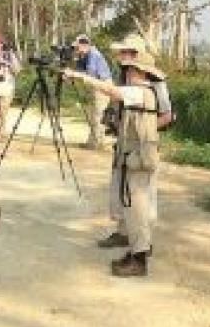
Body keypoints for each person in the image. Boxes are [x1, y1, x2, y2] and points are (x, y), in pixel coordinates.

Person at [65, 49, 164, 277]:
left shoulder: (141, 92)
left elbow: (110, 90)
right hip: (135, 157)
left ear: (139, 71)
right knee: (133, 208)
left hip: (139, 159)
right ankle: (136, 252)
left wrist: (82, 77)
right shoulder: (142, 92)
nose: (126, 73)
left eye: (130, 69)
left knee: (137, 209)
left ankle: (138, 259)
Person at [97, 34, 173, 249]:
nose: (121, 55)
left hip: (141, 146)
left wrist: (141, 131)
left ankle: (141, 244)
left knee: (141, 196)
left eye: (125, 51)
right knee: (119, 188)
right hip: (123, 143)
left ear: (136, 55)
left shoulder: (156, 82)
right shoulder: (123, 74)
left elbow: (167, 115)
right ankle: (123, 232)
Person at [72, 34, 111, 149]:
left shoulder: (93, 54)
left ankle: (95, 143)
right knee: (93, 114)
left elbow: (91, 73)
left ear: (85, 45)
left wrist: (75, 74)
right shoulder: (84, 55)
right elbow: (80, 71)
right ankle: (96, 141)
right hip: (95, 86)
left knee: (98, 115)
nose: (76, 50)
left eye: (77, 47)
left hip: (102, 86)